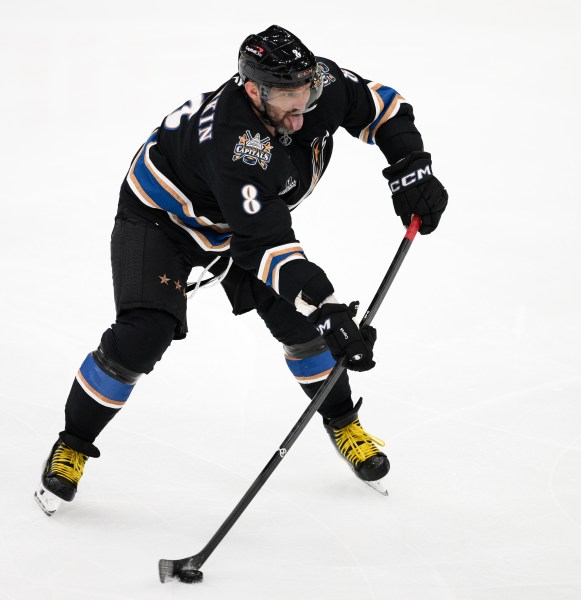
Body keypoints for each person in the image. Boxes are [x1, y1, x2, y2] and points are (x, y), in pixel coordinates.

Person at [34, 25, 448, 515]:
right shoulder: (236, 144)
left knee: (303, 327)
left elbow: (383, 107)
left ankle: (343, 423)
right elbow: (267, 244)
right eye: (287, 102)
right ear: (253, 90)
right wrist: (330, 307)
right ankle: (73, 444)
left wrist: (409, 166)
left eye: (308, 95)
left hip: (239, 222)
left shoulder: (317, 84)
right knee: (144, 334)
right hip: (161, 219)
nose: (300, 114)